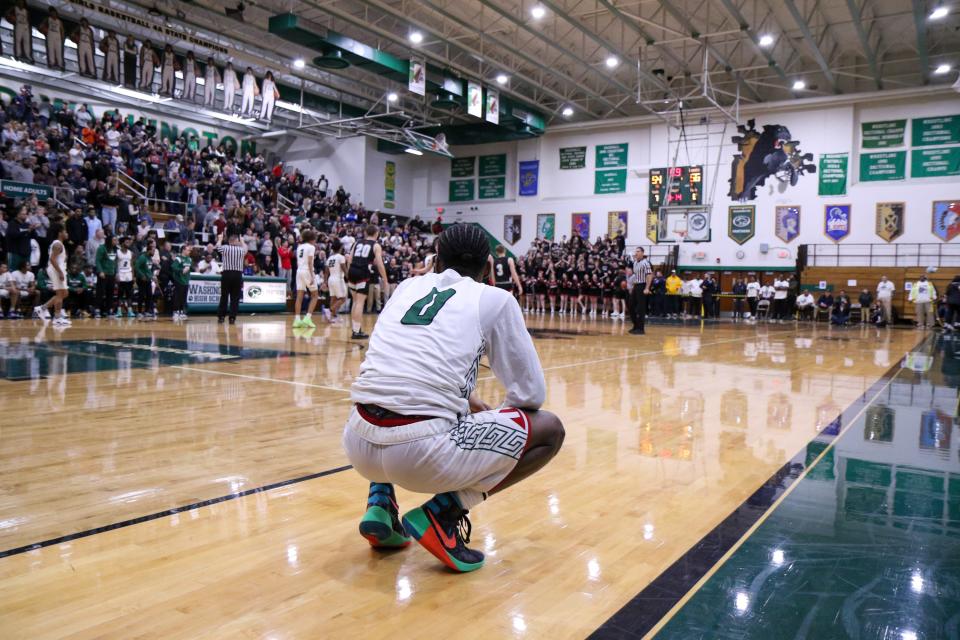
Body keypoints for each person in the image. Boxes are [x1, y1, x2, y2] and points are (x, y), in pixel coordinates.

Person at [342, 223, 564, 573]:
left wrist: (463, 396)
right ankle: (443, 515)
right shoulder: (495, 299)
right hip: (421, 454)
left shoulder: (406, 288)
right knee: (549, 429)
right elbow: (529, 394)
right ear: (488, 267)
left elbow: (406, 364)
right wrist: (478, 419)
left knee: (394, 393)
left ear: (434, 262)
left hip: (357, 441)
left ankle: (380, 503)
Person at [346, 224, 388, 340]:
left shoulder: (357, 242)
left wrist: (349, 273)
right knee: (360, 303)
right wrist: (385, 279)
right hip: (362, 272)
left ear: (365, 233)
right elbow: (379, 263)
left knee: (355, 302)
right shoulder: (376, 245)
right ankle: (356, 331)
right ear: (376, 233)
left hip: (352, 271)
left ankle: (355, 329)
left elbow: (349, 259)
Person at [34, 223, 70, 325]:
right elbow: (52, 259)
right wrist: (60, 272)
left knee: (64, 293)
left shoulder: (59, 244)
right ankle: (57, 317)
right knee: (60, 294)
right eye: (65, 231)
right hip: (56, 270)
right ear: (60, 233)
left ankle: (42, 308)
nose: (67, 233)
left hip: (58, 269)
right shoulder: (57, 244)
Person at [216, 234, 246, 324]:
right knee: (235, 297)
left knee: (224, 296)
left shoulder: (225, 248)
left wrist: (220, 239)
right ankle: (232, 318)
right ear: (236, 241)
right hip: (237, 275)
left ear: (229, 241)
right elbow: (246, 248)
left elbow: (217, 247)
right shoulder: (241, 250)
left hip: (227, 274)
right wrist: (243, 241)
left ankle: (221, 317)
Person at [293, 229, 319, 328]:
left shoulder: (300, 247)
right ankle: (308, 318)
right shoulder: (311, 247)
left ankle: (297, 320)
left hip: (299, 271)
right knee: (315, 295)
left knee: (299, 296)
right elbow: (310, 262)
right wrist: (312, 276)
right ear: (312, 239)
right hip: (307, 271)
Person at [627, 247, 652, 335]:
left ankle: (641, 329)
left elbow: (649, 275)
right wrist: (632, 286)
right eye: (635, 251)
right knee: (630, 305)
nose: (636, 253)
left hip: (642, 285)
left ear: (642, 253)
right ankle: (636, 325)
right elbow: (636, 276)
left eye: (638, 251)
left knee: (641, 308)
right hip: (636, 285)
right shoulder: (634, 263)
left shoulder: (646, 263)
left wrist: (647, 288)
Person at [95, 235, 118, 318]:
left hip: (111, 274)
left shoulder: (115, 249)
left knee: (110, 293)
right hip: (103, 274)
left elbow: (115, 262)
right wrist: (100, 271)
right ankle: (97, 310)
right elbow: (98, 260)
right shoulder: (102, 248)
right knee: (100, 293)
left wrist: (116, 272)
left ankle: (108, 310)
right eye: (114, 240)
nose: (116, 241)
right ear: (109, 240)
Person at [325, 238, 347, 321]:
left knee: (333, 298)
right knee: (343, 299)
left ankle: (332, 317)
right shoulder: (341, 257)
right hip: (338, 279)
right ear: (340, 248)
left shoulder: (330, 258)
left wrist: (325, 282)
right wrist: (350, 278)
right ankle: (330, 310)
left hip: (331, 279)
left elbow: (326, 272)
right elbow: (344, 269)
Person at [116, 236, 136, 318]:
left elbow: (132, 265)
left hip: (128, 274)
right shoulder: (117, 252)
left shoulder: (131, 253)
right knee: (120, 294)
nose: (128, 243)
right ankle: (119, 310)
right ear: (122, 243)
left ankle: (130, 311)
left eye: (129, 242)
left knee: (129, 294)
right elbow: (115, 264)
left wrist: (133, 276)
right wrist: (116, 274)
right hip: (120, 274)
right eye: (126, 242)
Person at [171, 244, 192, 320]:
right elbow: (173, 267)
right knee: (177, 296)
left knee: (184, 297)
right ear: (183, 250)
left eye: (189, 250)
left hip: (186, 281)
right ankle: (175, 311)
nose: (189, 251)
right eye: (188, 250)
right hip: (179, 280)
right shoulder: (178, 258)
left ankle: (182, 311)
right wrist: (181, 270)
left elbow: (189, 269)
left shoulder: (189, 259)